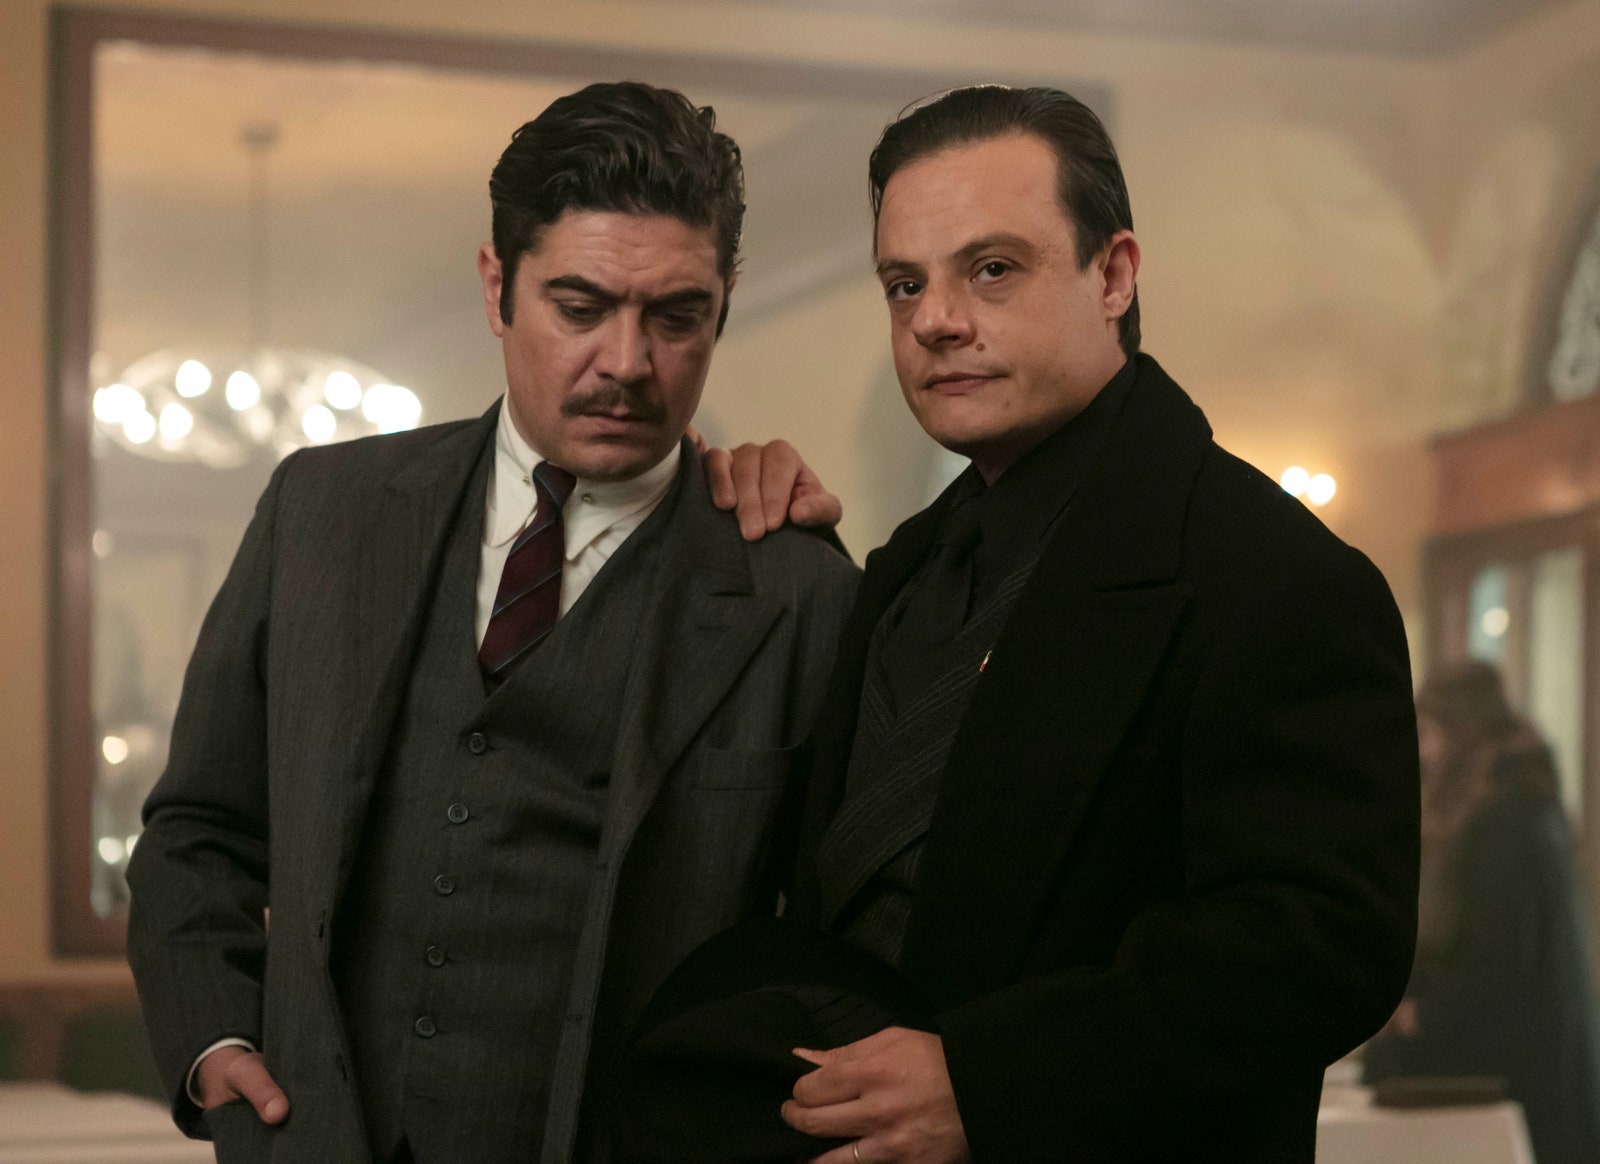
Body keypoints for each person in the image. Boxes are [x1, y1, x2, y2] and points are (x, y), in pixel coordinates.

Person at [125, 81, 859, 1164]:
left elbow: (835, 948)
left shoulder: (798, 590)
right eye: (579, 307)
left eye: (675, 316)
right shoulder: (320, 512)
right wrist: (215, 1039)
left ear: (724, 304)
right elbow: (199, 828)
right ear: (494, 286)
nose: (627, 363)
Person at [744, 85, 1419, 1163]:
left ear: (1114, 275)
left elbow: (1321, 948)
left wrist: (990, 1080)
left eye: (991, 269)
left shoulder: (1270, 573)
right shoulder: (907, 565)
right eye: (904, 283)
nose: (935, 319)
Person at [1363, 661, 1600, 1164]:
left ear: (1460, 733)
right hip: (1543, 1072)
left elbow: (1496, 965)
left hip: (1523, 1078)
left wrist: (1418, 1018)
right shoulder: (1525, 806)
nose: (1423, 753)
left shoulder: (1505, 822)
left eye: (1429, 733)